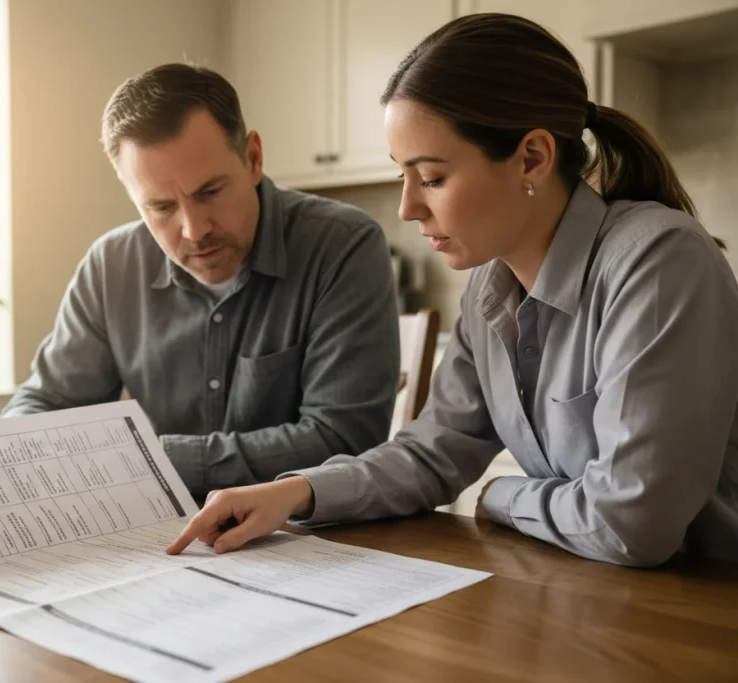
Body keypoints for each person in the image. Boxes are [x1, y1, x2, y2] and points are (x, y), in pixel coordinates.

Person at [168, 13, 738, 567]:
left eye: (433, 178)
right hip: (597, 601)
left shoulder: (659, 262)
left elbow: (629, 523)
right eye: (404, 176)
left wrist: (498, 496)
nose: (408, 208)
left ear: (532, 158)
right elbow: (433, 450)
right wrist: (293, 494)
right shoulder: (489, 288)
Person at [1, 63, 400, 499]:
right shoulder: (111, 264)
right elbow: (43, 406)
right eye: (160, 207)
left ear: (252, 158)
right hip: (155, 538)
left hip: (308, 537)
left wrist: (143, 460)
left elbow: (343, 440)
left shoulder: (341, 245)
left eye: (209, 192)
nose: (194, 230)